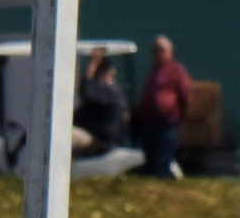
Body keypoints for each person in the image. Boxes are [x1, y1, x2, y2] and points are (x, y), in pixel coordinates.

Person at [136, 35, 194, 179]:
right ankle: (150, 176)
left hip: (166, 120)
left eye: (162, 49)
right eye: (156, 49)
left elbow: (185, 95)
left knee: (163, 154)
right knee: (150, 152)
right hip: (150, 120)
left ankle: (162, 178)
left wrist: (181, 115)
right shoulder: (154, 70)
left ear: (170, 51)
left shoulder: (176, 70)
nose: (158, 52)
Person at [75, 48, 126, 152]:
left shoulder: (110, 93)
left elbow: (87, 94)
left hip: (100, 141)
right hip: (97, 137)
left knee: (64, 133)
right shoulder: (107, 95)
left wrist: (92, 67)